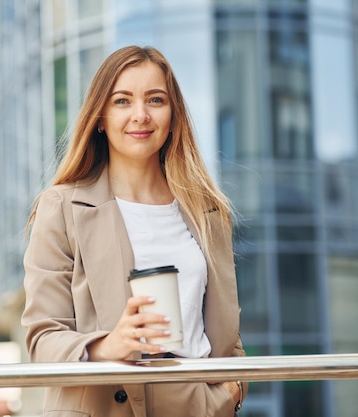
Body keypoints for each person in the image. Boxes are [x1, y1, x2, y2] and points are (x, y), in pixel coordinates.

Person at [21, 45, 247, 417]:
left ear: (173, 115)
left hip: (196, 406)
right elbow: (42, 338)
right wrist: (110, 345)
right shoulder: (61, 207)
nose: (140, 115)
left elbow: (226, 332)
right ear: (100, 117)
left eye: (155, 100)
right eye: (122, 101)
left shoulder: (208, 212)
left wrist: (232, 392)